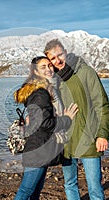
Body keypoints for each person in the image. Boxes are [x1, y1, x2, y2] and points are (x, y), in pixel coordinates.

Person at [44, 39, 109, 200]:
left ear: (66, 52)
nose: (58, 60)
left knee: (94, 187)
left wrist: (102, 134)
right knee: (69, 184)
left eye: (59, 55)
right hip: (66, 141)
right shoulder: (53, 80)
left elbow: (102, 105)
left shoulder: (86, 72)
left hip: (88, 138)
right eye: (52, 58)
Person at [14, 56, 78, 200]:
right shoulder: (41, 93)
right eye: (43, 67)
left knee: (34, 191)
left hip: (40, 147)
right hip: (39, 149)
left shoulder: (42, 90)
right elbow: (45, 123)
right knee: (26, 191)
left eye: (49, 65)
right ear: (35, 71)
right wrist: (67, 119)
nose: (49, 69)